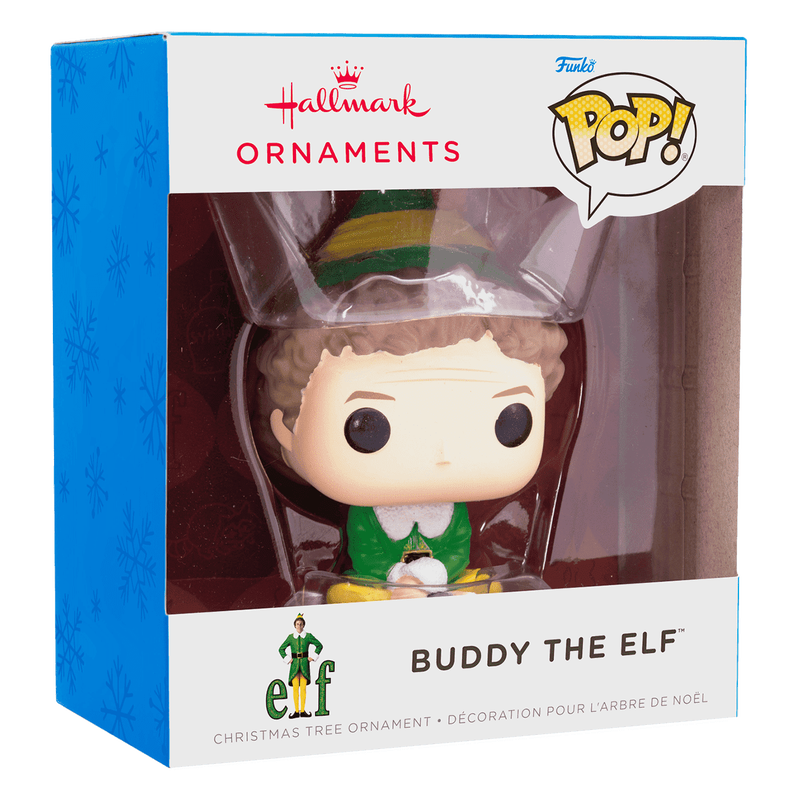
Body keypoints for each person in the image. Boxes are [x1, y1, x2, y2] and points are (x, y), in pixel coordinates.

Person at [277, 614, 324, 718]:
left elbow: (319, 645)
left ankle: (302, 711)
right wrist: (287, 659)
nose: (299, 626)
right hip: (294, 666)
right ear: (295, 625)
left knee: (303, 688)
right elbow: (281, 649)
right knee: (295, 689)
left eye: (301, 624)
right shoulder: (290, 637)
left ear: (303, 625)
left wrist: (313, 657)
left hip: (304, 665)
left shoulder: (308, 636)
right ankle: (296, 711)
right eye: (297, 624)